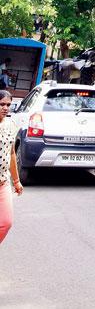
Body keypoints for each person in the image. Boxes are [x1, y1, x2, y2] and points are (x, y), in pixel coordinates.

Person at [0, 90, 22, 244]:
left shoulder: (11, 125)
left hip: (3, 182)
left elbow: (12, 153)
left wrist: (16, 181)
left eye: (8, 105)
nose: (5, 108)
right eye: (2, 104)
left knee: (6, 222)